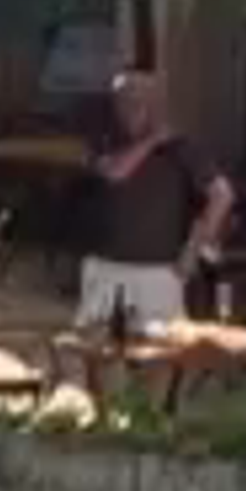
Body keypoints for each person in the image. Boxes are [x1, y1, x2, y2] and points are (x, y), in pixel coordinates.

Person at [76, 69, 212, 337]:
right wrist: (151, 142)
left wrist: (193, 251)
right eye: (126, 99)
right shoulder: (102, 140)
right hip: (106, 266)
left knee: (164, 350)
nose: (135, 107)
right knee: (99, 347)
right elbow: (116, 173)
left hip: (159, 269)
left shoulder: (180, 147)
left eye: (144, 100)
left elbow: (221, 194)